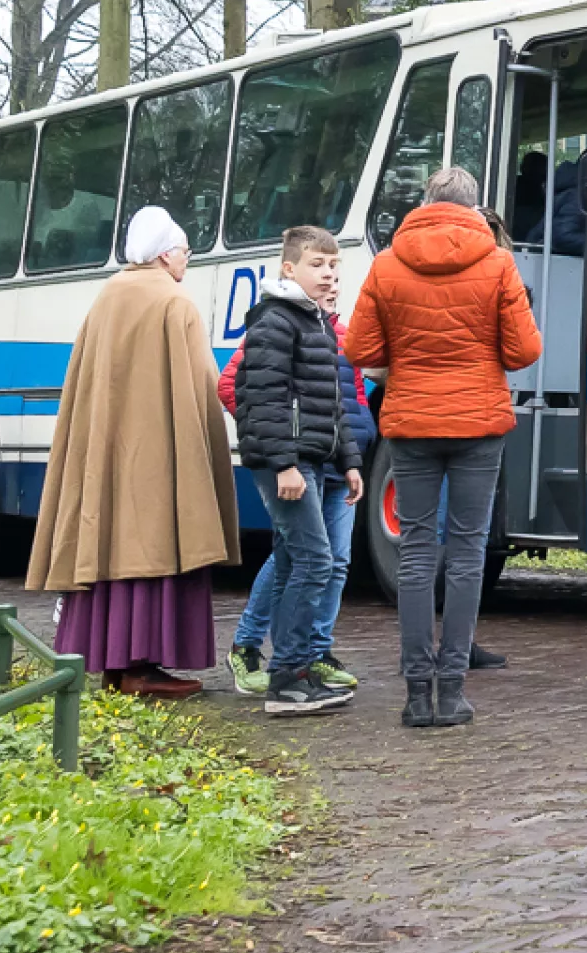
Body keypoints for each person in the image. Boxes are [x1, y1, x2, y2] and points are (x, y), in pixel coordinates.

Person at [345, 166, 541, 728]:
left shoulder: (387, 263)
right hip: (479, 424)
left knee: (415, 555)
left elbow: (359, 347)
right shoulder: (498, 262)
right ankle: (452, 692)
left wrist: (406, 358)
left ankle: (415, 693)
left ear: (425, 203)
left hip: (411, 424)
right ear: (474, 208)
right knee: (466, 553)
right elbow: (524, 349)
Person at [26, 206, 242, 698]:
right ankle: (140, 665)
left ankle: (112, 664)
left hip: (107, 456)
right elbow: (200, 386)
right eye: (186, 250)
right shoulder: (174, 302)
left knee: (109, 542)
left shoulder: (109, 295)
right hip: (158, 456)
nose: (188, 259)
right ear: (167, 254)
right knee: (157, 541)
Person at [231, 226, 367, 714]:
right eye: (316, 264)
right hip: (286, 464)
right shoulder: (275, 322)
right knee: (317, 560)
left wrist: (349, 461)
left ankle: (298, 670)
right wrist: (285, 464)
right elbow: (263, 401)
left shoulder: (319, 324)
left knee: (297, 560)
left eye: (333, 265)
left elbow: (332, 404)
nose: (327, 273)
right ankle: (287, 677)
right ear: (289, 269)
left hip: (312, 459)